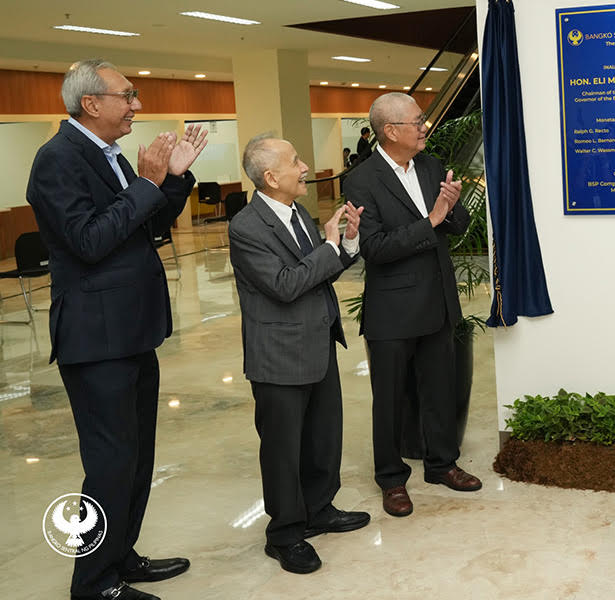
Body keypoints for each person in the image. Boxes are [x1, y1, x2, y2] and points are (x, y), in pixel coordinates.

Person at [26, 59, 206, 600]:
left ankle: (120, 555)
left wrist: (171, 180)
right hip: (95, 335)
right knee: (108, 464)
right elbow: (88, 240)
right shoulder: (57, 160)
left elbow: (145, 225)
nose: (136, 105)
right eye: (127, 95)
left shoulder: (108, 155)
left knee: (136, 456)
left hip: (131, 329)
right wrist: (148, 182)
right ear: (91, 103)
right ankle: (94, 583)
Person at [228, 135, 370, 575]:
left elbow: (317, 272)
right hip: (279, 354)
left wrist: (344, 244)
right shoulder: (247, 226)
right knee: (284, 447)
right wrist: (328, 247)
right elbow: (287, 284)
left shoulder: (298, 214)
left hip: (317, 343)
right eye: (296, 161)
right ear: (271, 177)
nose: (306, 166)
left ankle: (319, 508)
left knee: (323, 435)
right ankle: (286, 532)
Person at [342, 93, 481, 519]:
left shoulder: (431, 165)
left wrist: (452, 206)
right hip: (393, 310)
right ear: (391, 131)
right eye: (418, 121)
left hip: (437, 301)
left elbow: (453, 226)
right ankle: (391, 479)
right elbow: (375, 248)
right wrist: (432, 220)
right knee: (390, 400)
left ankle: (442, 464)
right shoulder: (361, 180)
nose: (425, 127)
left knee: (440, 390)